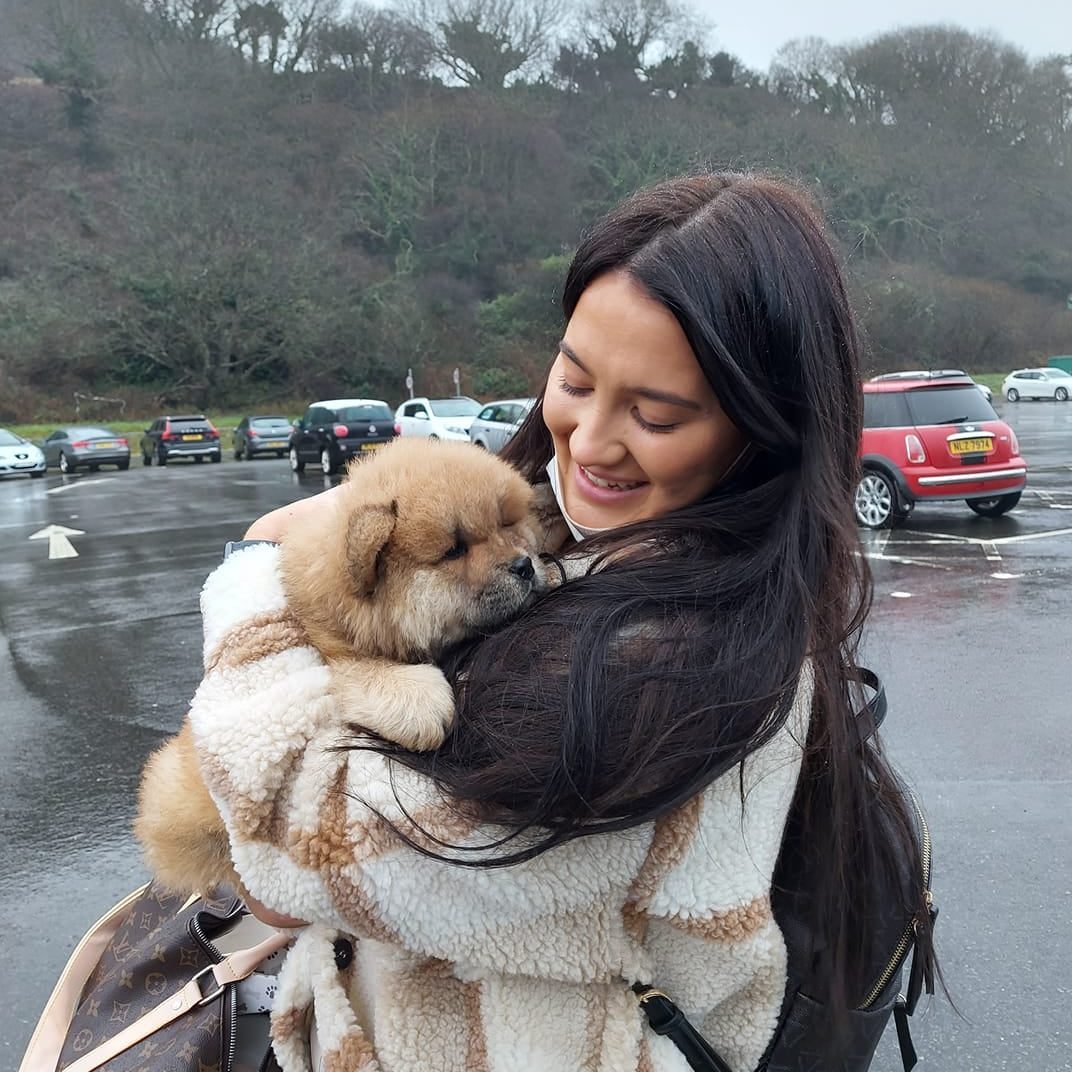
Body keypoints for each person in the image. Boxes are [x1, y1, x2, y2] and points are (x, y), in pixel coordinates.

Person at [186, 172, 934, 1072]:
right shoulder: (642, 570)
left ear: (763, 434)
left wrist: (258, 577)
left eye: (655, 415)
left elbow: (284, 851)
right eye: (573, 379)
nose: (588, 439)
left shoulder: (657, 677)